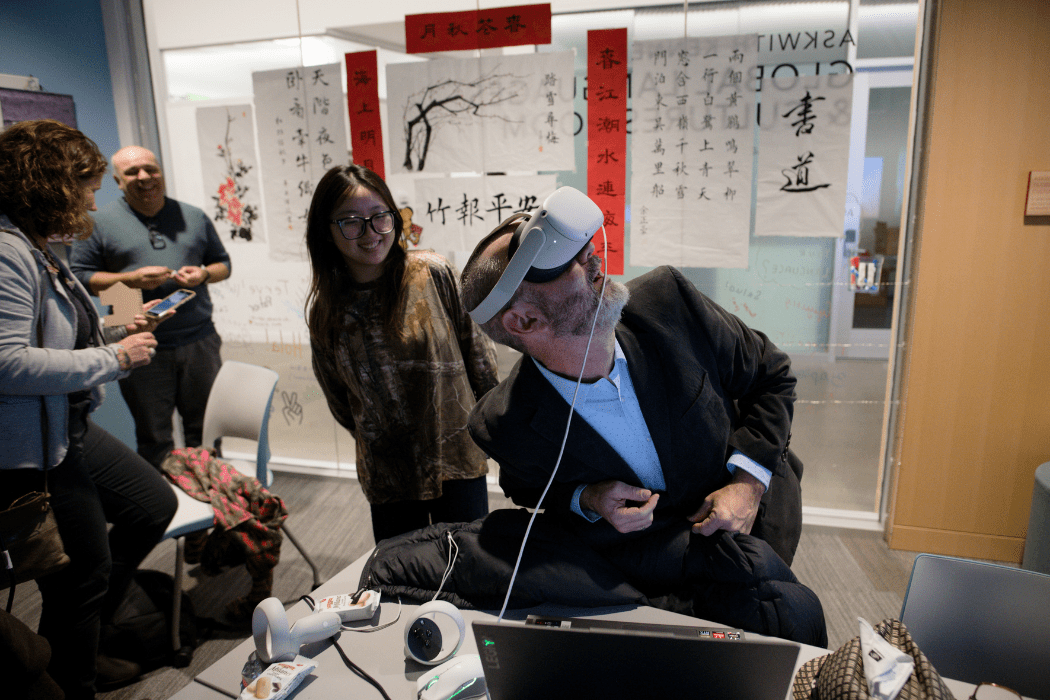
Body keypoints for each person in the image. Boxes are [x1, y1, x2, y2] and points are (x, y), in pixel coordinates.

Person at [460, 202, 805, 577]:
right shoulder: (502, 423)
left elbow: (771, 373)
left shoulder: (668, 302)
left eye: (581, 246)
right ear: (524, 320)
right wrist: (588, 498)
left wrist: (748, 484)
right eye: (562, 262)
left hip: (755, 521)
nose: (591, 255)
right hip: (653, 564)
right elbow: (527, 488)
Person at [0, 120, 178, 699]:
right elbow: (8, 365)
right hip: (33, 447)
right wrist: (116, 358)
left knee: (152, 505)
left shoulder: (36, 245)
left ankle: (87, 635)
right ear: (49, 183)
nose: (94, 200)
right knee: (81, 575)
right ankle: (71, 676)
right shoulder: (6, 252)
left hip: (68, 426)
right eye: (86, 185)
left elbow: (59, 335)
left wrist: (115, 328)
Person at [304, 164, 499, 543]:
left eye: (380, 217)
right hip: (387, 471)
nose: (370, 233)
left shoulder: (431, 273)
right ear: (327, 231)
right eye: (351, 222)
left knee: (469, 565)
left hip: (455, 457)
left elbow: (479, 359)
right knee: (404, 578)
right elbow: (341, 401)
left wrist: (497, 434)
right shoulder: (327, 309)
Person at [70, 145, 231, 467]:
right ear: (117, 181)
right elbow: (79, 276)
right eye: (132, 172)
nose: (144, 177)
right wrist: (129, 280)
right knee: (154, 436)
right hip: (137, 338)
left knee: (207, 433)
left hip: (199, 338)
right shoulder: (99, 221)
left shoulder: (192, 215)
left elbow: (222, 265)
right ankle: (166, 508)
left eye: (150, 169)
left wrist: (202, 274)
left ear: (160, 171)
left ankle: (215, 499)